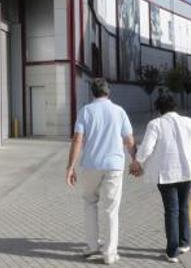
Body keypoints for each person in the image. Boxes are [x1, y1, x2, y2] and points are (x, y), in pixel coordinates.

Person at [133, 94, 191, 264]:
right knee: (183, 206)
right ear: (174, 107)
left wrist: (137, 162)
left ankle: (172, 252)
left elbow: (146, 148)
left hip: (166, 174)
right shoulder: (188, 122)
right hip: (187, 171)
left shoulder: (155, 124)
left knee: (171, 210)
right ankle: (184, 243)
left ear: (159, 109)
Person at [67, 78, 136, 265]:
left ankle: (91, 246)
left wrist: (70, 167)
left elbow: (77, 140)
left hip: (91, 165)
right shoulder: (119, 111)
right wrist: (136, 160)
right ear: (109, 92)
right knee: (111, 210)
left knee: (90, 203)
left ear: (92, 93)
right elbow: (129, 141)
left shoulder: (85, 111)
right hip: (114, 166)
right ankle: (110, 254)